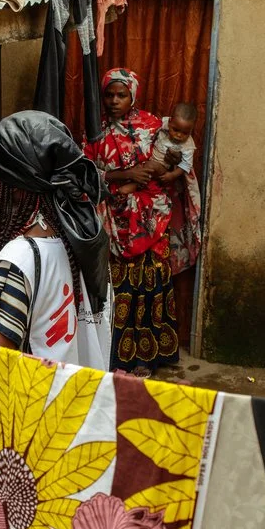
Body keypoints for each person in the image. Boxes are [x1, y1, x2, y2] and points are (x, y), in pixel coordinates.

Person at [0, 110, 113, 371]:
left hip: (30, 406)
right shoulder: (82, 239)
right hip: (70, 398)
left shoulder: (18, 261)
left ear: (9, 186)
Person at [84, 67, 178, 376]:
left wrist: (148, 177)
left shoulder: (153, 127)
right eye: (109, 94)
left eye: (121, 95)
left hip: (150, 222)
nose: (114, 101)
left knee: (150, 286)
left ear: (133, 95)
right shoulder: (94, 131)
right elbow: (85, 175)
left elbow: (168, 166)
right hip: (111, 222)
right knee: (118, 289)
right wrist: (126, 175)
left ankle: (146, 357)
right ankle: (116, 358)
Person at [150, 102, 203, 274]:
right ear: (170, 121)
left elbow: (185, 167)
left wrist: (171, 176)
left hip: (166, 178)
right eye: (175, 130)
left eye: (185, 133)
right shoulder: (162, 125)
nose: (179, 136)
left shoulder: (188, 145)